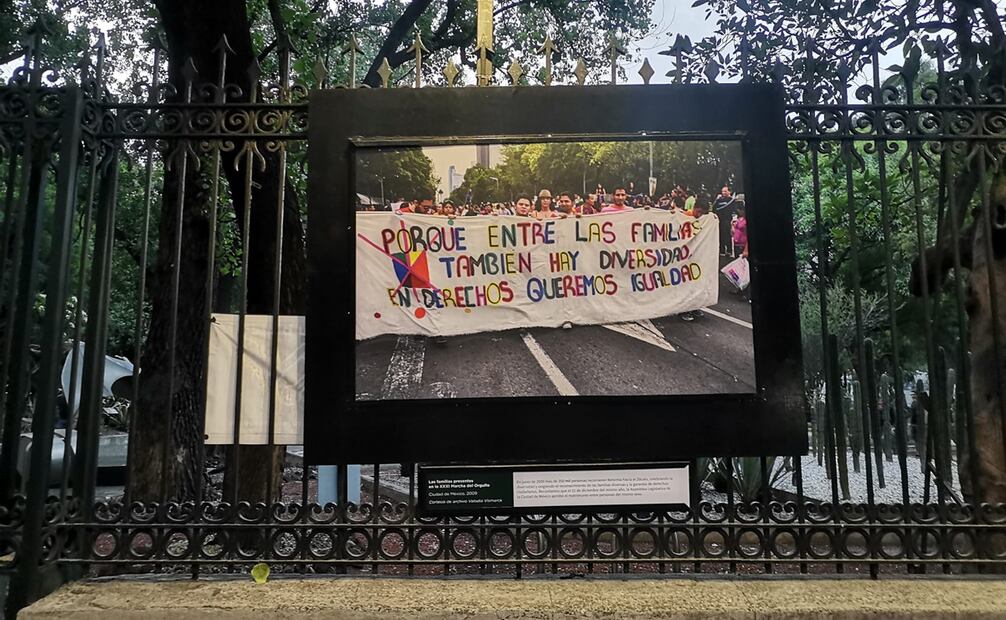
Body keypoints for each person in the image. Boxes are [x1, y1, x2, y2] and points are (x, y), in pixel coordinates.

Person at [713, 185, 738, 255]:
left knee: (727, 235)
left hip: (727, 220)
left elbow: (734, 211)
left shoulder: (732, 200)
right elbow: (713, 208)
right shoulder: (719, 200)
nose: (723, 193)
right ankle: (722, 250)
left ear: (729, 192)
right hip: (720, 220)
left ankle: (729, 250)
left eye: (725, 191)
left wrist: (733, 220)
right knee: (721, 235)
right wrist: (716, 199)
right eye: (722, 191)